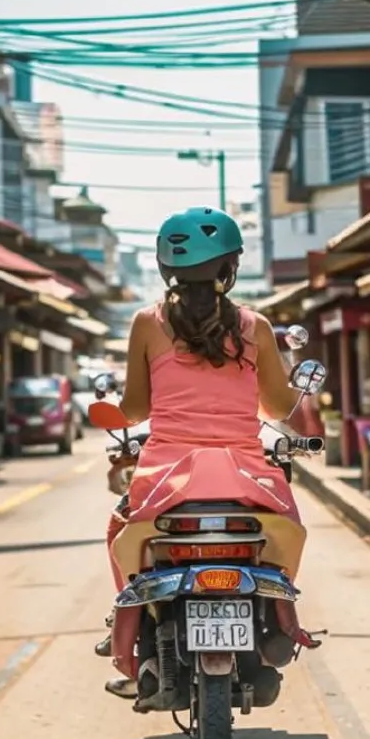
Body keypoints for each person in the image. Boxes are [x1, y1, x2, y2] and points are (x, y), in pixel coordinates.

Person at [96, 206, 304, 699]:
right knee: (281, 540)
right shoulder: (256, 326)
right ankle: (278, 614)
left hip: (165, 475)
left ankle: (124, 623)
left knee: (119, 532)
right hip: (247, 474)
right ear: (230, 267)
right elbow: (277, 406)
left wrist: (112, 411)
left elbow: (136, 407)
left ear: (167, 268)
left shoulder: (148, 323)